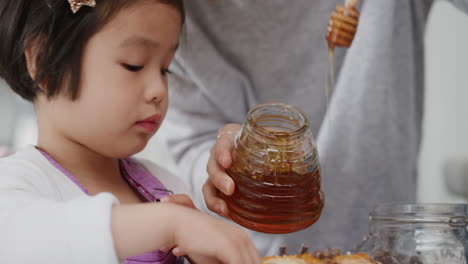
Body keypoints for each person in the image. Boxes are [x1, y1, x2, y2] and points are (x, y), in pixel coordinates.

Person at [162, 0, 468, 256]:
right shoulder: (172, 13)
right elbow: (193, 141)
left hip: (389, 248)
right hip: (259, 254)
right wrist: (219, 164)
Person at [0, 0, 261, 263]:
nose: (158, 89)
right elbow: (18, 238)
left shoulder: (167, 187)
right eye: (134, 65)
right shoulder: (15, 182)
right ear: (44, 61)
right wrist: (172, 225)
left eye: (164, 69)